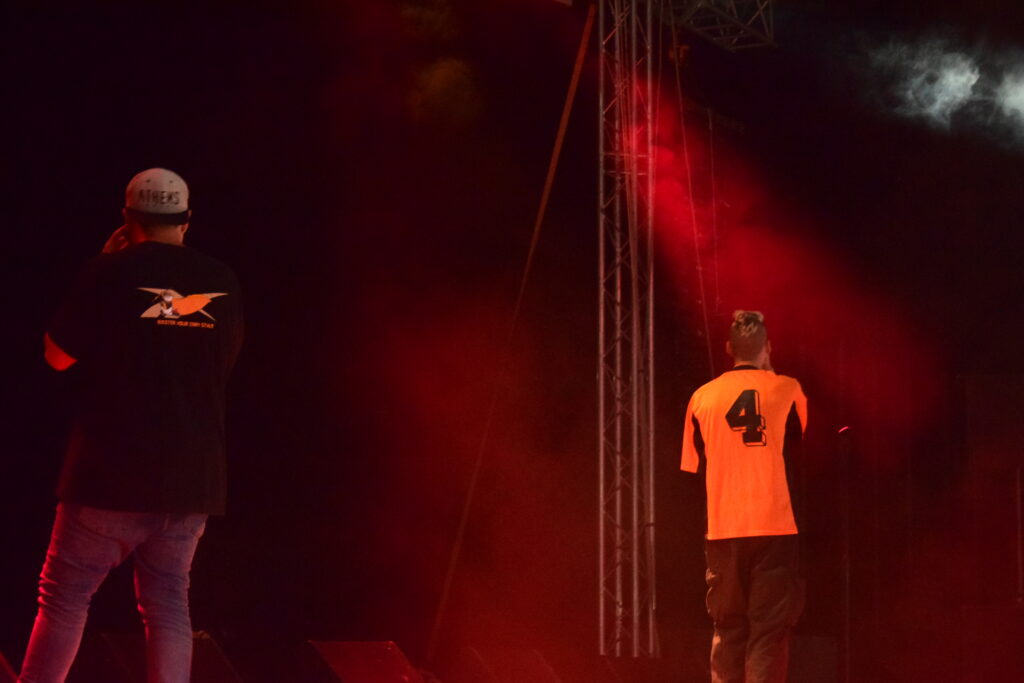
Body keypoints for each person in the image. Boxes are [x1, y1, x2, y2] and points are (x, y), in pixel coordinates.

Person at [18, 168, 244, 683]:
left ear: (128, 219)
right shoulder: (224, 280)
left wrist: (104, 264)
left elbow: (56, 357)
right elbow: (224, 364)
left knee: (65, 598)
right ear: (186, 220)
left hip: (109, 476)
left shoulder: (108, 272)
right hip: (191, 480)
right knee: (168, 602)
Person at [680, 310, 807, 683]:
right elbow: (800, 442)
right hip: (774, 527)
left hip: (723, 528)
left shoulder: (701, 398)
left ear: (727, 348)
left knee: (728, 629)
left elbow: (691, 467)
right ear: (768, 347)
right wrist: (770, 374)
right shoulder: (789, 388)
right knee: (768, 632)